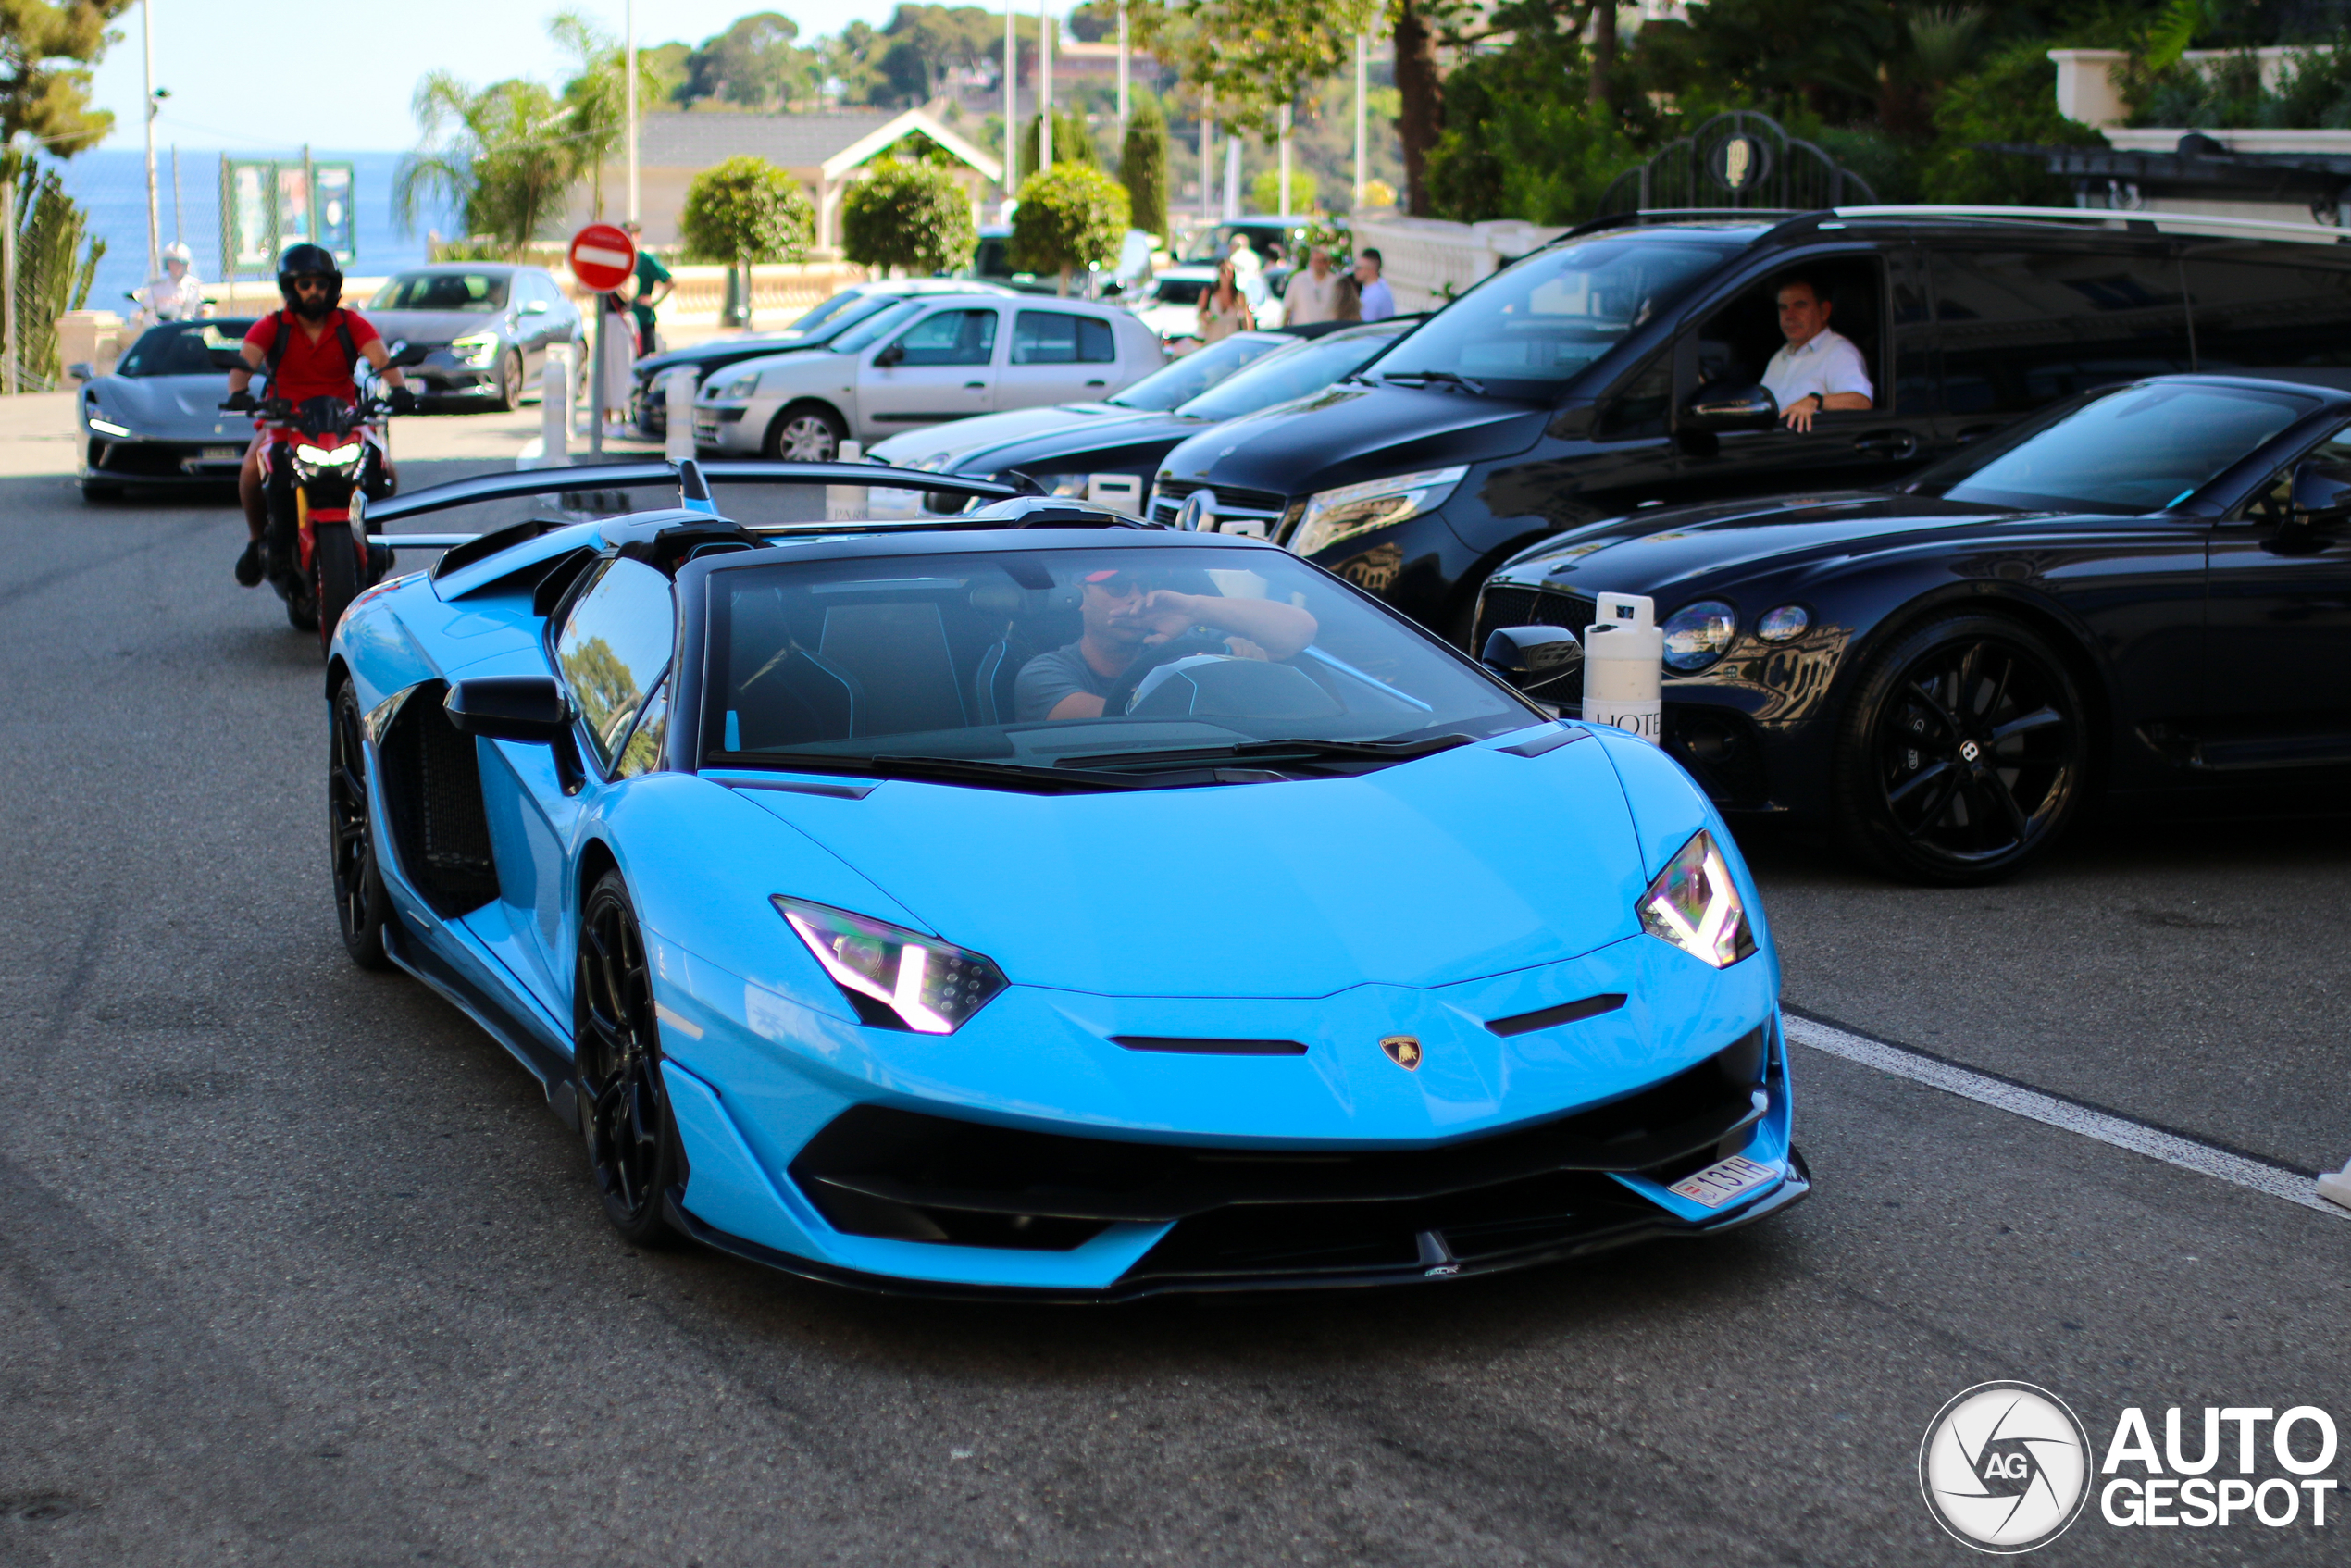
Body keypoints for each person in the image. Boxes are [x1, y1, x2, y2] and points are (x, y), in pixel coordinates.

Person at [223, 243, 415, 587]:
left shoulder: (350, 323)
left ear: (333, 287)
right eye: (305, 284)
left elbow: (381, 359)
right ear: (290, 287)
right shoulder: (271, 326)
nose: (314, 291)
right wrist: (238, 394)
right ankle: (256, 542)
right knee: (252, 467)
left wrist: (399, 389)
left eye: (321, 284)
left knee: (386, 468)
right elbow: (244, 365)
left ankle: (375, 535)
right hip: (285, 421)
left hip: (344, 419)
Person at [1014, 567, 1319, 722]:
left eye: (1143, 585)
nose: (1136, 597)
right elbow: (1127, 721)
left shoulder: (1184, 645)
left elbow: (1300, 630)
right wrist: (1225, 682)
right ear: (1078, 597)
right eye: (1117, 586)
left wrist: (1195, 609)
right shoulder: (1043, 675)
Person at [1760, 273, 1872, 432]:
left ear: (1824, 311)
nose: (1789, 316)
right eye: (1783, 308)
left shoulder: (1839, 352)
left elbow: (1861, 402)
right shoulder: (1780, 357)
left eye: (1800, 305)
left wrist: (1814, 401)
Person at [623, 219, 673, 356]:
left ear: (638, 236)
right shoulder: (621, 259)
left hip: (644, 319)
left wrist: (654, 300)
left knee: (646, 360)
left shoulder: (645, 259)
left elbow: (669, 282)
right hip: (625, 321)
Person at [134, 242, 206, 328]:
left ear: (186, 265)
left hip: (187, 330)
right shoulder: (157, 288)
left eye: (179, 263)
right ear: (167, 265)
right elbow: (146, 308)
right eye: (172, 263)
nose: (175, 266)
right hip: (162, 330)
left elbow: (203, 311)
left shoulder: (195, 288)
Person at [1283, 245, 1343, 326]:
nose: (1319, 264)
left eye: (1322, 261)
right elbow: (1288, 307)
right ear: (1310, 262)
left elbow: (1342, 309)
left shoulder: (1336, 282)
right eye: (1316, 261)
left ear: (1328, 263)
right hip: (1303, 330)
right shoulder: (1298, 279)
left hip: (1328, 331)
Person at [1198, 260, 1254, 344]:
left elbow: (1247, 320)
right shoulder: (1208, 293)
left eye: (1229, 271)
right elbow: (1199, 315)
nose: (1226, 274)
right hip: (1211, 344)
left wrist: (1248, 340)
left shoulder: (1239, 296)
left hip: (1232, 345)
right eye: (1223, 271)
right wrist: (1206, 317)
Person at [1353, 248, 1395, 322]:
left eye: (1359, 268)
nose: (1355, 271)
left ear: (1371, 269)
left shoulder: (1373, 295)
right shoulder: (1380, 288)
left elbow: (1365, 325)